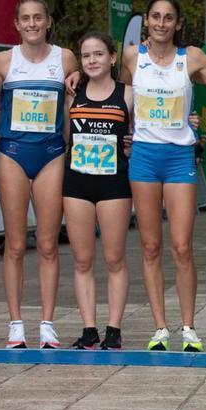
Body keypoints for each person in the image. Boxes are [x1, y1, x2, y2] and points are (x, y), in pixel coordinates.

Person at [120, 0, 206, 352]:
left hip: (179, 158)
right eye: (155, 17)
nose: (161, 23)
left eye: (168, 18)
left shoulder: (191, 57)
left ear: (178, 23)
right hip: (143, 156)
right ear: (147, 21)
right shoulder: (132, 56)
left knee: (181, 247)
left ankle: (188, 327)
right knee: (150, 246)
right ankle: (160, 327)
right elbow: (118, 94)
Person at [0, 0, 78, 349]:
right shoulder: (3, 60)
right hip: (12, 153)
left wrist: (74, 146)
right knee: (13, 244)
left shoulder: (65, 57)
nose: (31, 24)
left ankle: (47, 323)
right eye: (25, 18)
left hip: (52, 154)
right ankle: (15, 325)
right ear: (16, 23)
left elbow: (75, 106)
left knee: (46, 244)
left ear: (48, 21)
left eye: (37, 17)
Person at [64, 31, 133, 350]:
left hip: (114, 184)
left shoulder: (128, 94)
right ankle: (89, 328)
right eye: (86, 55)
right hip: (77, 183)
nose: (92, 60)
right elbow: (66, 137)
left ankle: (114, 329)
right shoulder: (72, 93)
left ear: (112, 57)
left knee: (114, 258)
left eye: (98, 54)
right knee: (82, 260)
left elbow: (140, 134)